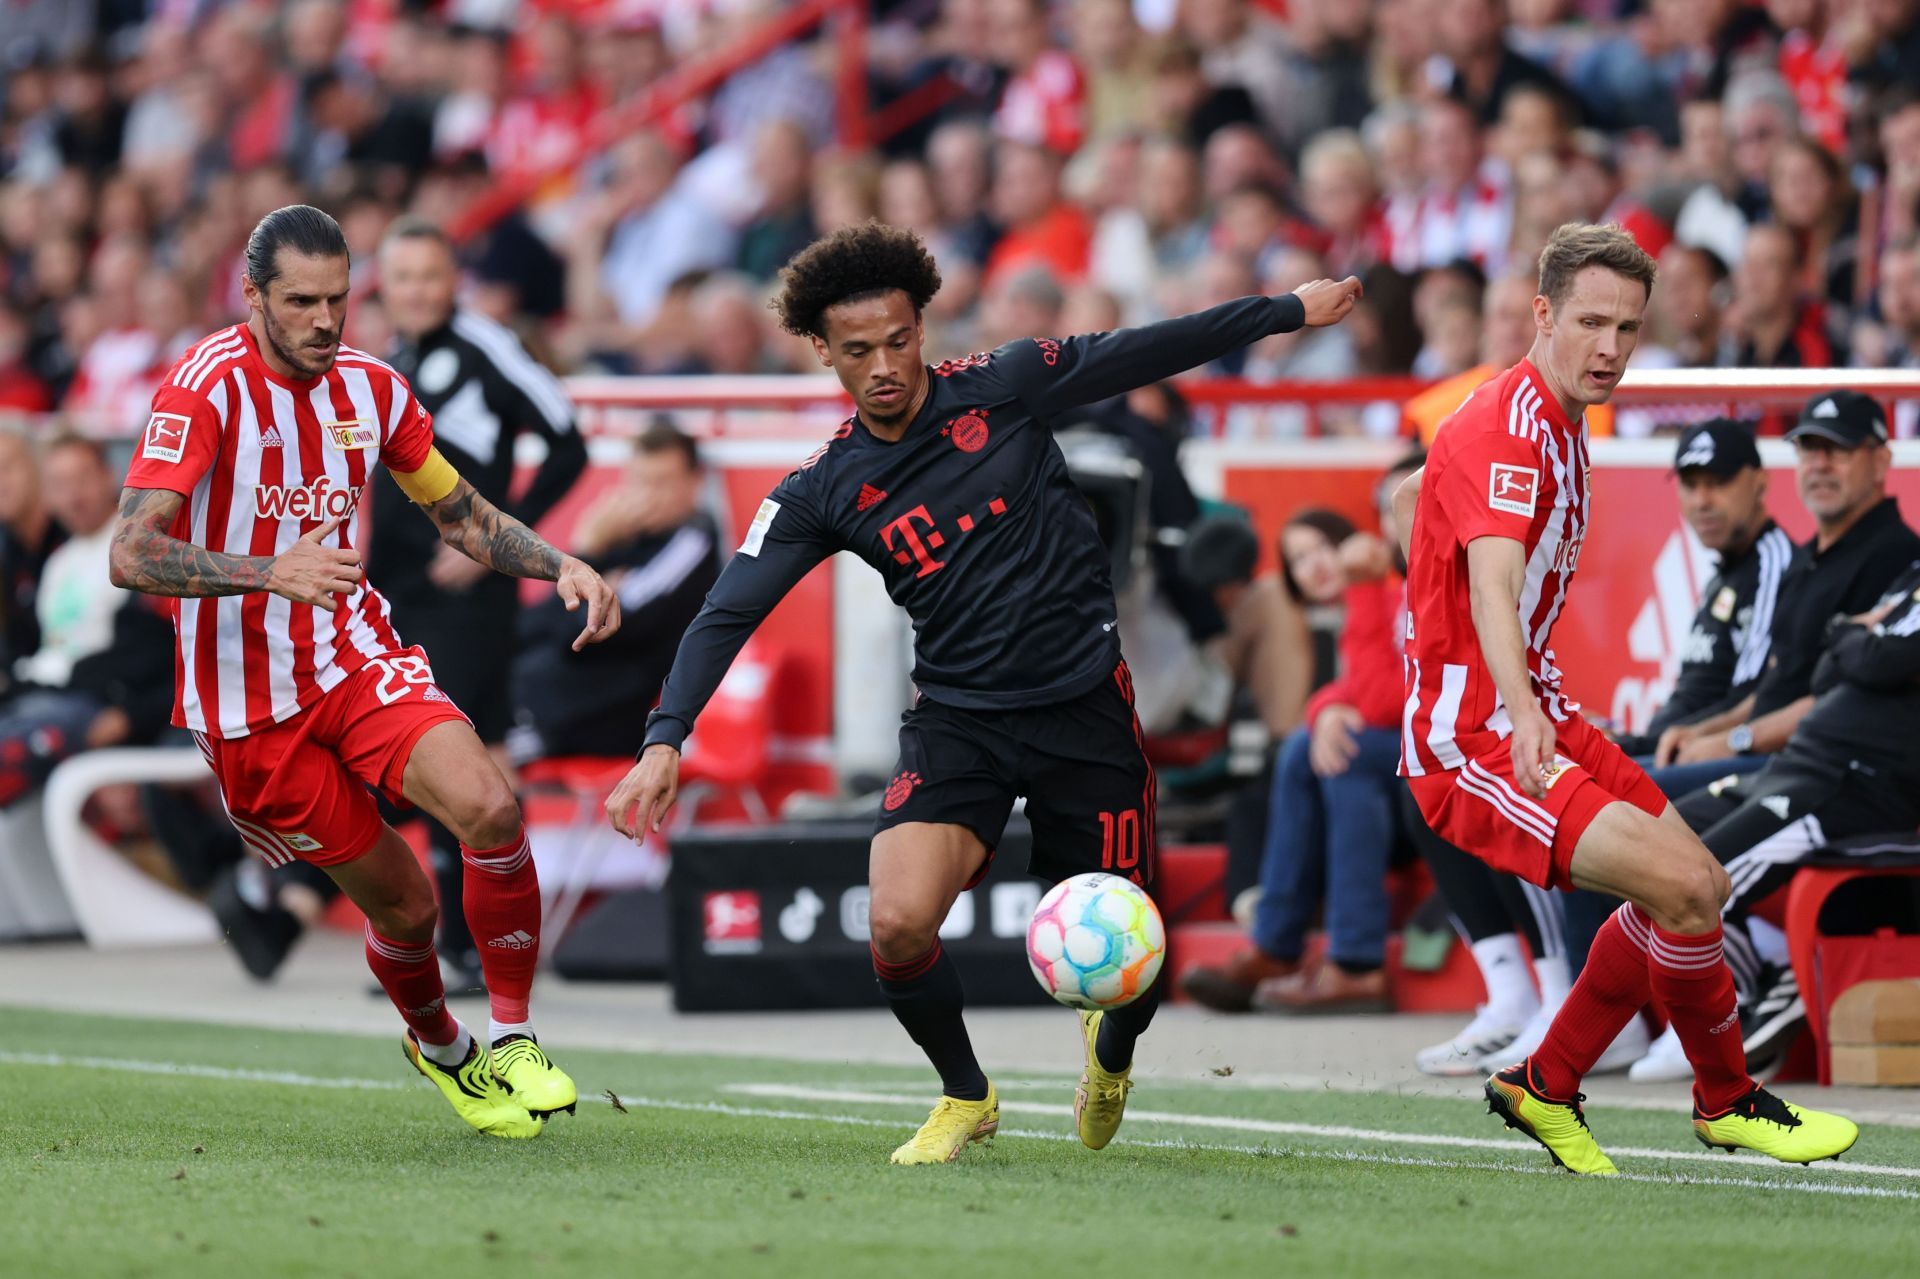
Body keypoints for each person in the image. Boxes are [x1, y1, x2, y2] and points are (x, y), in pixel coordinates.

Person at [604, 222, 1363, 1164]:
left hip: (1083, 707)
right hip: (958, 720)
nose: (883, 365)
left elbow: (1150, 347)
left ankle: (1112, 1055)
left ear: (921, 326)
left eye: (897, 339)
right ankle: (967, 1094)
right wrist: (665, 737)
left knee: (1131, 960)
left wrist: (1287, 310)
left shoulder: (1007, 384)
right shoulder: (822, 489)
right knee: (895, 920)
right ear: (821, 352)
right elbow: (726, 610)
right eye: (856, 351)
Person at [109, 205, 620, 1140]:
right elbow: (131, 550)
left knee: (491, 805)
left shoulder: (373, 390)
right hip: (250, 711)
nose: (324, 320)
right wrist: (271, 570)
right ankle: (443, 1046)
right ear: (253, 297)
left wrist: (561, 564)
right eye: (301, 301)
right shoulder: (204, 391)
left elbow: (460, 514)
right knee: (409, 906)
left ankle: (512, 1037)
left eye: (339, 300)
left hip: (354, 656)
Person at [1393, 221, 1855, 1174]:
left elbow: (1417, 507)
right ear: (1542, 314)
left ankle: (1546, 1082)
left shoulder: (1554, 418)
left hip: (1541, 711)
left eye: (1630, 329)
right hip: (1474, 737)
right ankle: (1724, 1100)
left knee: (1702, 888)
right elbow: (1491, 584)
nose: (1611, 348)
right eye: (1592, 323)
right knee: (1684, 888)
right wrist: (1518, 713)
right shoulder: (1512, 427)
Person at [372, 217, 588, 988]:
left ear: (454, 279)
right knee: (486, 761)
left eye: (431, 277)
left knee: (439, 757)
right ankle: (495, 943)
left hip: (463, 598)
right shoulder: (388, 360)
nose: (418, 292)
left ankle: (460, 948)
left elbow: (568, 439)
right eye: (404, 279)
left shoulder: (487, 347)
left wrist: (498, 538)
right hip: (399, 591)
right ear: (385, 288)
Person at [1651, 393, 1920, 793]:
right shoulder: (1810, 557)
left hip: (1814, 768)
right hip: (1767, 755)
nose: (1820, 465)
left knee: (1623, 802)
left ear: (1881, 461)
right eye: (1809, 450)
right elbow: (1774, 687)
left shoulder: (1895, 554)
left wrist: (1733, 741)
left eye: (1838, 450)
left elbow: (1839, 700)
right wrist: (1699, 732)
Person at [511, 420, 721, 762]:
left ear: (695, 483)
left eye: (662, 483)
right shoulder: (623, 540)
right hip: (545, 705)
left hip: (599, 721)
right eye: (639, 482)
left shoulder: (691, 544)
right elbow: (529, 627)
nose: (647, 496)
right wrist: (589, 555)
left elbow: (579, 631)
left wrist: (586, 553)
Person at [0, 427, 67, 681]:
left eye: (7, 467)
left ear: (37, 466)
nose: (1, 481)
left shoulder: (74, 532)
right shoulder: (8, 548)